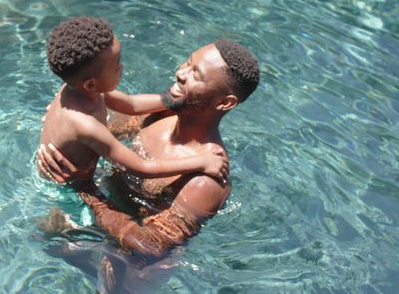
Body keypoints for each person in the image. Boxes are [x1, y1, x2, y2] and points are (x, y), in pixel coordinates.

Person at [38, 38, 260, 260]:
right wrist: (68, 122)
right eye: (187, 63)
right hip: (96, 224)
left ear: (225, 102)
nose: (180, 73)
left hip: (123, 268)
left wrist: (85, 188)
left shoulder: (204, 181)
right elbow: (102, 128)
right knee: (44, 237)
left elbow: (149, 247)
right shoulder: (159, 115)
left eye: (196, 75)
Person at [38, 16, 229, 187]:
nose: (122, 67)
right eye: (116, 66)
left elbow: (130, 104)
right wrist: (202, 162)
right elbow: (140, 167)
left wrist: (177, 99)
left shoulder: (78, 89)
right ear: (91, 84)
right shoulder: (84, 124)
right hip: (63, 185)